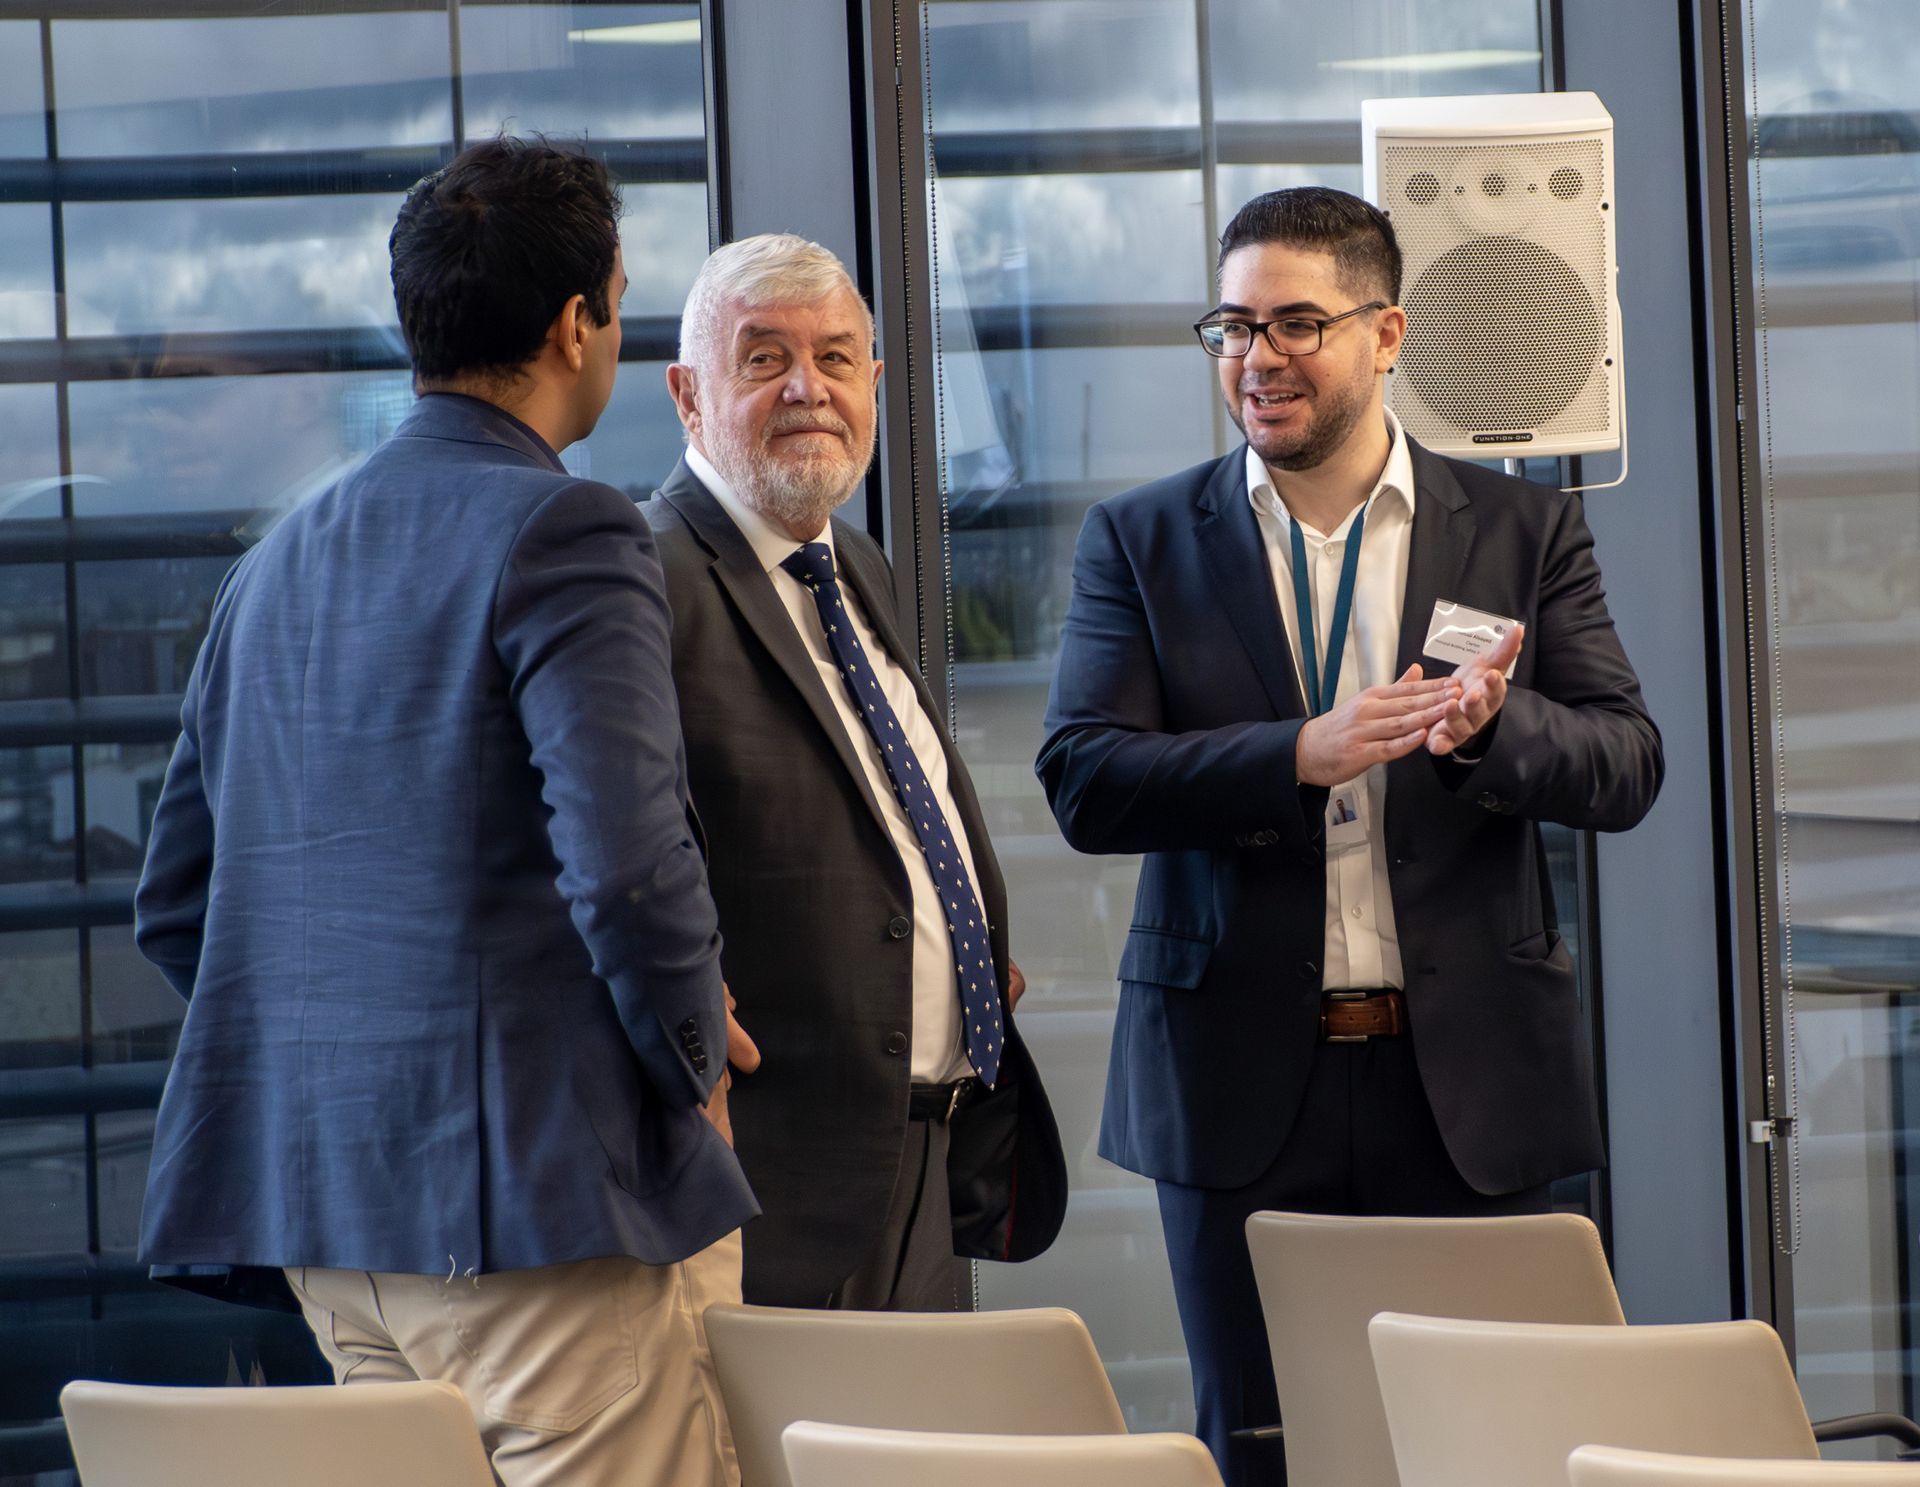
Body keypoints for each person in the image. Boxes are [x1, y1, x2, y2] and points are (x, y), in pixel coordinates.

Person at [133, 137, 757, 1487]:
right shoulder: (572, 529)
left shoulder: (276, 561)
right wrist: (693, 1056)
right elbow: (630, 872)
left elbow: (178, 901)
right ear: (577, 323)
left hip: (335, 1235)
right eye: (619, 301)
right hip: (544, 1230)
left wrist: (376, 1067)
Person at [1036, 187, 1662, 1484]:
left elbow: (1626, 761)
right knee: (1266, 1447)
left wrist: (1493, 732)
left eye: (1296, 324)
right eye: (1232, 326)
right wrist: (1294, 753)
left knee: (1490, 1448)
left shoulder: (1522, 529)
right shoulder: (1141, 540)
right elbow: (1086, 778)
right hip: (1238, 1084)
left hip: (1468, 1080)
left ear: (1387, 334)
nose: (1256, 357)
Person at [640, 233, 1067, 1310]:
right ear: (687, 395)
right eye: (764, 358)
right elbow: (609, 846)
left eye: (835, 358)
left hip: (926, 1147)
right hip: (772, 1174)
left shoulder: (852, 561)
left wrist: (961, 953)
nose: (808, 387)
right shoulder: (644, 575)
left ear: (874, 382)